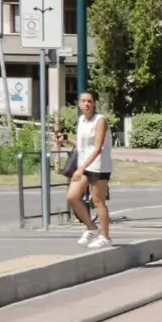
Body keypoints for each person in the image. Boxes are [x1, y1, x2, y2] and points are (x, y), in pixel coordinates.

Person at [67, 90, 113, 249]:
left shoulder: (100, 120)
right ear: (79, 104)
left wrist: (80, 168)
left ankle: (105, 236)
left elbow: (97, 148)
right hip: (85, 165)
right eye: (83, 101)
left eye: (89, 101)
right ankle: (91, 227)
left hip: (100, 165)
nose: (86, 104)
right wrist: (66, 140)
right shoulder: (81, 120)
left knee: (98, 200)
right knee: (72, 196)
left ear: (94, 104)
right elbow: (82, 146)